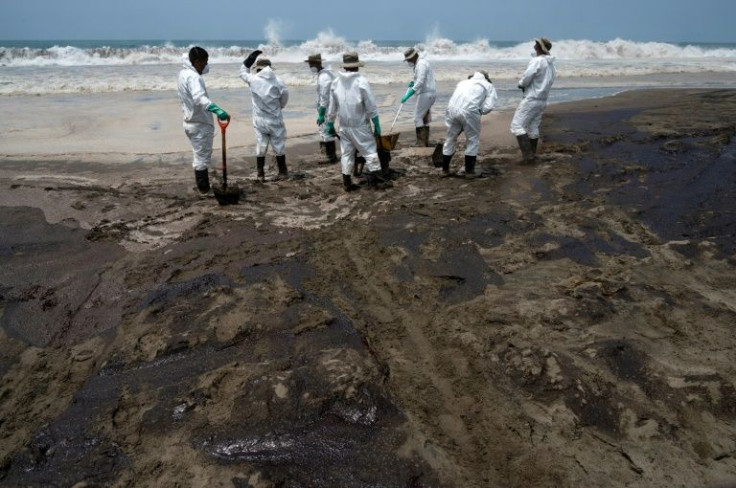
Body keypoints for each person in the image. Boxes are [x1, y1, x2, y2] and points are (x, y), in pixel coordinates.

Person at [325, 52, 383, 192]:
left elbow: (332, 108)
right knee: (369, 152)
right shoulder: (361, 81)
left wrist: (330, 124)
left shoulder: (336, 82)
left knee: (346, 154)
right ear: (357, 66)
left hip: (344, 126)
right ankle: (378, 182)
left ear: (345, 67)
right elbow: (371, 106)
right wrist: (377, 124)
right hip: (360, 125)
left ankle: (347, 182)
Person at [177, 46, 230, 194]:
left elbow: (205, 70)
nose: (206, 65)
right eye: (205, 62)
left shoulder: (184, 73)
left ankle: (203, 187)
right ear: (197, 61)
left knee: (199, 156)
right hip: (199, 124)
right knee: (201, 159)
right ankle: (204, 190)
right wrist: (218, 111)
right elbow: (200, 98)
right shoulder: (194, 77)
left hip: (190, 122)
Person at [239, 51, 290, 181]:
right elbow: (284, 97)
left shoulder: (253, 79)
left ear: (258, 69)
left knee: (261, 145)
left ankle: (260, 173)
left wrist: (251, 57)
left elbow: (242, 72)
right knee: (278, 146)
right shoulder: (278, 81)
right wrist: (279, 107)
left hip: (259, 120)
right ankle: (282, 172)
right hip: (275, 119)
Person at [440, 71, 498, 178]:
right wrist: (480, 111)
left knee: (450, 138)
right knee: (472, 140)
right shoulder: (488, 85)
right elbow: (489, 106)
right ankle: (470, 172)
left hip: (451, 109)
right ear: (486, 78)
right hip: (470, 111)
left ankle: (445, 170)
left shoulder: (462, 82)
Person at [510, 38, 556, 162]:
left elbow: (527, 77)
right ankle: (532, 155)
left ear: (540, 47)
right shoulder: (551, 64)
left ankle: (528, 157)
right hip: (542, 99)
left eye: (536, 44)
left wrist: (521, 84)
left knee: (517, 126)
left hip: (532, 98)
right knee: (533, 126)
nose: (534, 45)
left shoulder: (537, 61)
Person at [305, 53, 338, 164]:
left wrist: (321, 113)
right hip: (327, 107)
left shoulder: (324, 77)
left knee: (326, 131)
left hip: (327, 108)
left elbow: (324, 97)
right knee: (327, 130)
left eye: (310, 64)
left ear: (316, 63)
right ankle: (330, 155)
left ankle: (331, 157)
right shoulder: (323, 74)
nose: (309, 67)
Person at [401, 47, 437, 147]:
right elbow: (419, 79)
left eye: (408, 60)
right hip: (429, 93)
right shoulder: (421, 63)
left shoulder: (421, 64)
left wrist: (410, 93)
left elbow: (420, 81)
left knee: (417, 118)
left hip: (426, 93)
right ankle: (425, 142)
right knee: (424, 118)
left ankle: (421, 143)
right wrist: (413, 82)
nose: (408, 62)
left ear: (413, 57)